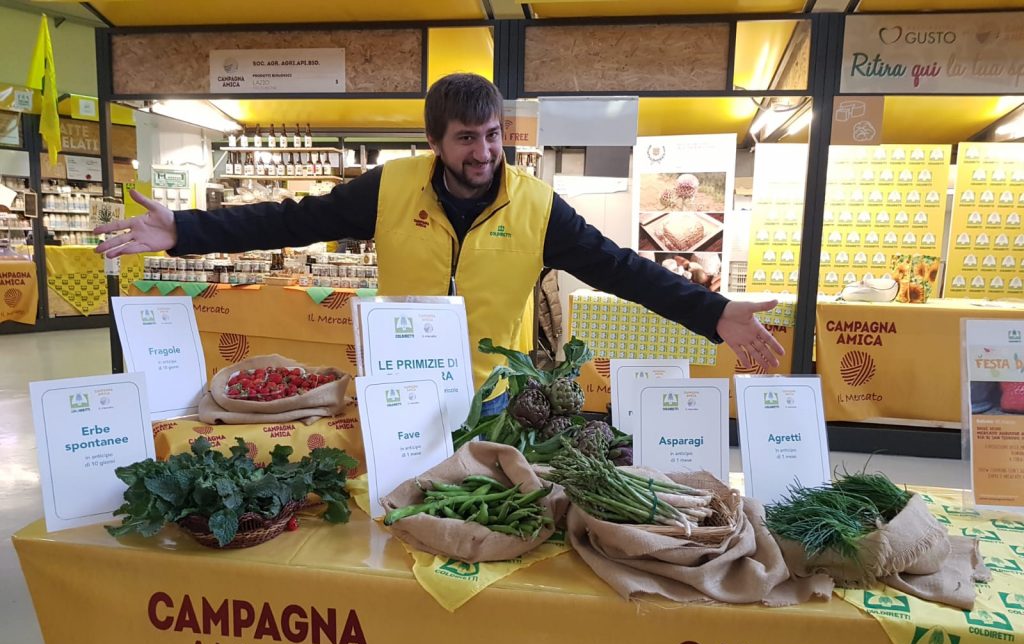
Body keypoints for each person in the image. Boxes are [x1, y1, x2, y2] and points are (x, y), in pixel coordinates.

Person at [96, 73, 785, 414]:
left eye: (492, 136)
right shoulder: (389, 188)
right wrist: (185, 230)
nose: (483, 152)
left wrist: (713, 311)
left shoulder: (537, 206)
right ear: (434, 141)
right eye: (465, 138)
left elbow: (621, 269)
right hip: (399, 386)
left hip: (494, 394)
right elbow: (288, 221)